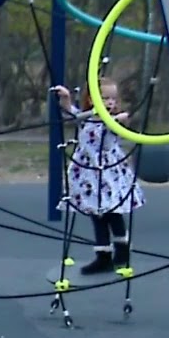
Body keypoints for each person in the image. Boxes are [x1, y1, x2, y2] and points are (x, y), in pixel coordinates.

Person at [51, 79, 146, 274]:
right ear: (92, 99)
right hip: (88, 173)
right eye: (105, 98)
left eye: (113, 98)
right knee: (96, 214)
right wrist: (66, 98)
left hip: (108, 173)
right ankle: (103, 256)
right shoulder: (88, 117)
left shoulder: (112, 119)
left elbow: (121, 124)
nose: (110, 102)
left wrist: (122, 119)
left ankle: (122, 251)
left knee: (113, 212)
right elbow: (71, 112)